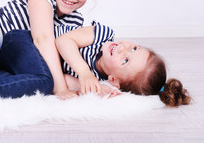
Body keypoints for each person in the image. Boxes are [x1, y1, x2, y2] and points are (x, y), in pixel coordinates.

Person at [55, 21, 191, 107]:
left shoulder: (95, 78)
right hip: (39, 38)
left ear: (113, 79)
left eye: (125, 60)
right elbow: (63, 41)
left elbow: (58, 79)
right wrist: (84, 72)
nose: (122, 48)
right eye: (134, 48)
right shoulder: (101, 35)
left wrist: (94, 87)